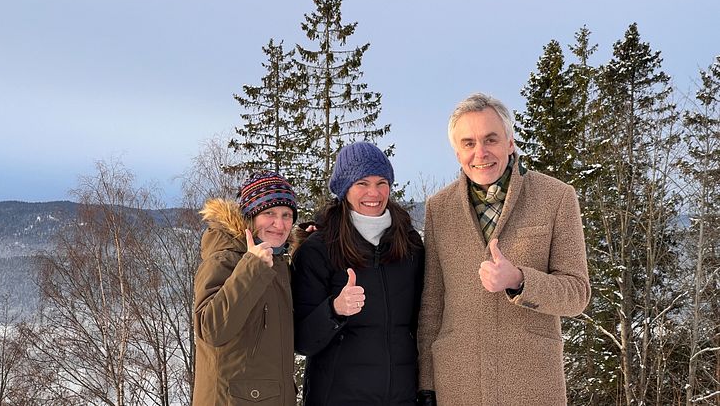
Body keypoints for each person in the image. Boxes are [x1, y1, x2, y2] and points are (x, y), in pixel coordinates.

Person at [416, 93, 591, 405]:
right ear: (457, 153)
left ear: (510, 143)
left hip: (532, 384)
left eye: (491, 139)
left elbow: (577, 293)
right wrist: (427, 386)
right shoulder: (438, 208)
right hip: (458, 385)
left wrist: (520, 280)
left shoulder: (556, 196)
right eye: (468, 143)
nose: (480, 152)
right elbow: (432, 305)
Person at [292, 141, 425, 405]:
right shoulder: (318, 250)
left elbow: (423, 323)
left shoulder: (409, 244)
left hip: (402, 398)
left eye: (381, 182)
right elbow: (302, 340)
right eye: (362, 183)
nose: (373, 193)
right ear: (345, 189)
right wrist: (335, 309)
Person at [193, 171, 299, 406]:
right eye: (269, 213)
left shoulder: (279, 262)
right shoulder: (224, 260)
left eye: (287, 215)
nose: (279, 224)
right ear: (250, 216)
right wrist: (251, 268)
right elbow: (211, 328)